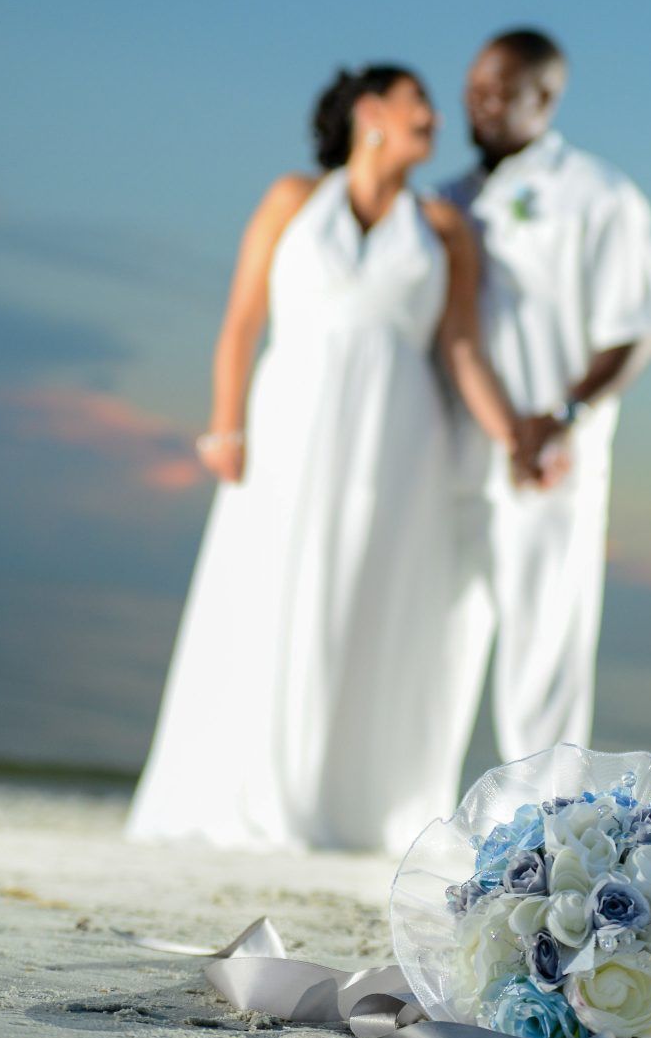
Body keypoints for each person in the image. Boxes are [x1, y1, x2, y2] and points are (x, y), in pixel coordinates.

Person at [127, 64, 533, 855]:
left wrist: (518, 439)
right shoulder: (291, 199)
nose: (435, 118)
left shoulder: (445, 229)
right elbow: (243, 317)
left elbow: (461, 349)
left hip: (399, 438)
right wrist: (224, 422)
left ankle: (349, 803)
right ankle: (248, 789)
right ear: (372, 111)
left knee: (368, 599)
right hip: (290, 426)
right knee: (271, 587)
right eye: (420, 102)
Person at [440, 27, 651, 767]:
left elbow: (637, 331)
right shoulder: (449, 197)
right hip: (448, 449)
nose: (480, 103)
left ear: (545, 97)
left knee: (544, 647)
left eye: (500, 91)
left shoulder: (600, 195)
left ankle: (544, 831)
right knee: (439, 638)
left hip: (547, 460)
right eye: (474, 87)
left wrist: (564, 417)